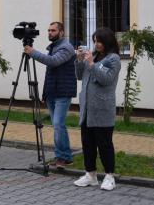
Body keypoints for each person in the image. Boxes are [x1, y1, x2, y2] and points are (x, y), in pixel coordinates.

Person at [73, 27, 121, 191]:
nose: (96, 44)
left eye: (99, 41)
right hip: (87, 108)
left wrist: (92, 64)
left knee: (104, 144)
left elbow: (106, 79)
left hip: (102, 109)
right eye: (94, 41)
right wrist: (79, 60)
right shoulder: (92, 56)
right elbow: (79, 76)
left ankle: (109, 176)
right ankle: (91, 175)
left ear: (107, 42)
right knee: (88, 144)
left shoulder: (113, 59)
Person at [24, 22, 77, 167]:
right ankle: (62, 155)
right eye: (48, 30)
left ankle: (65, 157)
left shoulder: (66, 47)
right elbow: (50, 74)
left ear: (61, 32)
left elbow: (53, 62)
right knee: (57, 125)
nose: (50, 33)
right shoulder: (54, 47)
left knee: (59, 124)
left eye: (53, 30)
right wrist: (45, 93)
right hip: (53, 91)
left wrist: (33, 52)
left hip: (63, 92)